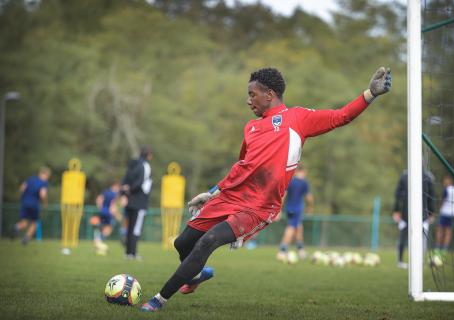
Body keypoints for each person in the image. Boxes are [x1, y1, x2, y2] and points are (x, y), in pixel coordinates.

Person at [141, 66, 392, 312]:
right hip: (231, 196)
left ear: (269, 94)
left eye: (252, 94)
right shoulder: (250, 128)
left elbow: (341, 116)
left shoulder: (298, 118)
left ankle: (159, 299)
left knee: (209, 241)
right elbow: (242, 167)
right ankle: (193, 277)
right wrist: (213, 191)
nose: (248, 100)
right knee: (183, 242)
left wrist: (369, 94)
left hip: (259, 206)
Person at [392, 169, 435, 269]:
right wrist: (396, 210)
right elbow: (398, 195)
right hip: (406, 214)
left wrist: (431, 212)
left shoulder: (428, 177)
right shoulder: (405, 176)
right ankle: (401, 261)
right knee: (405, 237)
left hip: (421, 215)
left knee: (421, 238)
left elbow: (431, 196)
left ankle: (416, 261)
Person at [121, 147, 153, 260]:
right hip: (139, 201)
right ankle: (132, 254)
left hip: (129, 201)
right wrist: (131, 189)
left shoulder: (132, 163)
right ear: (148, 155)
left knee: (129, 227)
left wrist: (124, 193)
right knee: (136, 228)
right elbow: (141, 183)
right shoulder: (145, 166)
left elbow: (124, 180)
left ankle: (127, 253)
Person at [277, 164, 313, 261]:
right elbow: (309, 198)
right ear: (302, 172)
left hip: (289, 209)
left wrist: (279, 209)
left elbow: (283, 195)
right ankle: (282, 251)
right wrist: (310, 208)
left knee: (299, 228)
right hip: (297, 209)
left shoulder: (290, 181)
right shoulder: (304, 183)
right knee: (291, 228)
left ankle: (301, 250)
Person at [11, 167, 51, 245]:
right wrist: (45, 203)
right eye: (47, 176)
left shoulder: (31, 179)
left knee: (24, 222)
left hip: (24, 203)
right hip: (34, 204)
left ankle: (16, 227)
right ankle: (26, 238)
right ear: (45, 174)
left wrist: (24, 197)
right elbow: (42, 194)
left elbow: (22, 188)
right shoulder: (44, 183)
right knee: (34, 223)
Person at [91, 181, 121, 255]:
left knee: (101, 226)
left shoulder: (106, 192)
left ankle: (98, 239)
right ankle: (99, 241)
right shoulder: (115, 194)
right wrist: (117, 215)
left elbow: (98, 199)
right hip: (109, 213)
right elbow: (113, 206)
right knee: (109, 228)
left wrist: (100, 207)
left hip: (103, 211)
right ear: (116, 186)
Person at [434, 175, 454, 257]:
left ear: (450, 181)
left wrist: (438, 210)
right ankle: (443, 249)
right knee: (447, 231)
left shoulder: (447, 190)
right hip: (453, 213)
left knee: (441, 230)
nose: (445, 182)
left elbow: (442, 201)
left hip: (445, 213)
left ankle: (438, 248)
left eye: (446, 180)